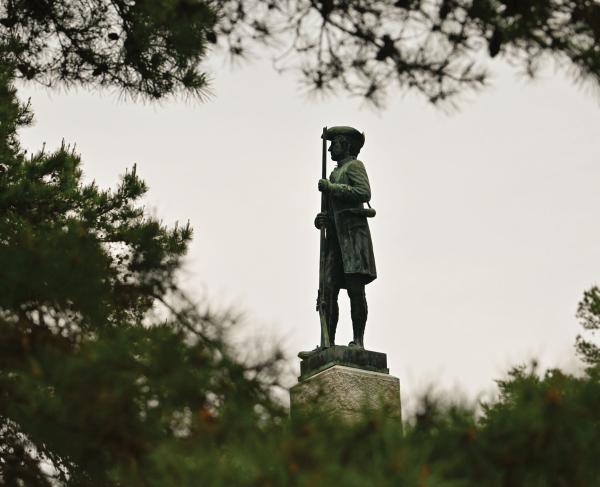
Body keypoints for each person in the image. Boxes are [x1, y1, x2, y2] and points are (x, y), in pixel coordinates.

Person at [299, 126, 377, 358]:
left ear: (346, 145)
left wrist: (333, 188)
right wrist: (322, 218)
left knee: (355, 290)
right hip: (334, 238)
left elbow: (364, 193)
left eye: (335, 143)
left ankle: (358, 341)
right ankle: (326, 343)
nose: (331, 148)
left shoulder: (354, 166)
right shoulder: (334, 173)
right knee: (327, 290)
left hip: (352, 237)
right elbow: (330, 209)